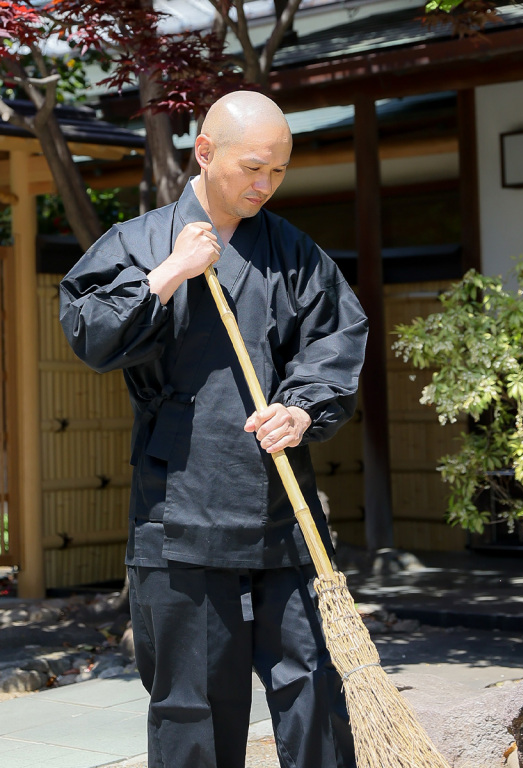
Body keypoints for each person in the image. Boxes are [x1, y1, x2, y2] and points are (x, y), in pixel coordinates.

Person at [59, 90, 368, 768]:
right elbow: (90, 334)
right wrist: (167, 275)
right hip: (180, 511)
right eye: (253, 167)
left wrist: (302, 410)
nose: (265, 185)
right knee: (192, 702)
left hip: (278, 506)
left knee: (313, 688)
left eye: (279, 172)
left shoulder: (294, 254)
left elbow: (334, 344)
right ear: (204, 152)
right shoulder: (139, 243)